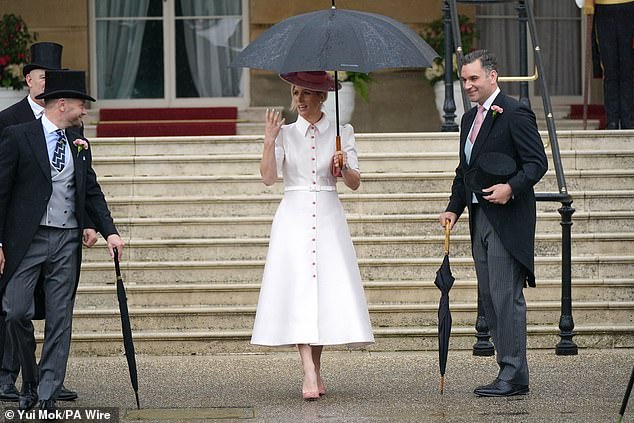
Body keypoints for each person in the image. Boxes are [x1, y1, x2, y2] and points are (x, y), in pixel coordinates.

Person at [0, 69, 124, 412]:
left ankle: (46, 394)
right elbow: (2, 191)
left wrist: (108, 230)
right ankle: (31, 376)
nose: (85, 111)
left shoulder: (79, 142)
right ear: (63, 103)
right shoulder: (19, 136)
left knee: (59, 316)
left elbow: (90, 190)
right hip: (27, 239)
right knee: (15, 311)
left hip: (67, 240)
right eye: (82, 104)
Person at [251, 71, 374, 400]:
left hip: (329, 216)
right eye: (295, 93)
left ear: (322, 96)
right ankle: (308, 371)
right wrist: (268, 140)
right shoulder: (285, 133)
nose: (300, 99)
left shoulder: (342, 132)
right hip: (294, 216)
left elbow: (354, 182)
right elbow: (267, 179)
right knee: (299, 291)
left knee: (319, 295)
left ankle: (315, 369)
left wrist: (343, 165)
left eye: (307, 93)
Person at [439, 50, 548, 397]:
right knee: (490, 296)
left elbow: (536, 163)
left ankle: (514, 375)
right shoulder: (469, 121)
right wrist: (454, 208)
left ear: (492, 76)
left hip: (507, 220)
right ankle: (507, 369)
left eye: (474, 78)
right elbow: (464, 172)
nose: (468, 85)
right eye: (464, 79)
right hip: (478, 218)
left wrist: (510, 188)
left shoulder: (516, 113)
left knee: (505, 297)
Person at [579, 0, 634, 129]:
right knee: (610, 68)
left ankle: (627, 119)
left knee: (627, 68)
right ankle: (612, 120)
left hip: (629, 7)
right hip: (604, 8)